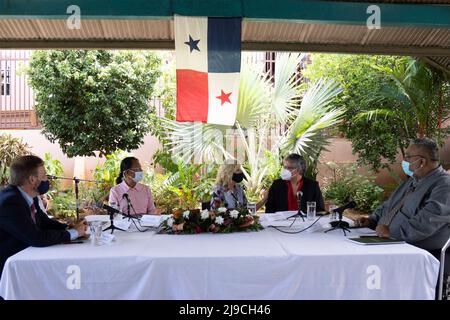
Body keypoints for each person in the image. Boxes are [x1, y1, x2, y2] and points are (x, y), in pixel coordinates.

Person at [355, 138, 450, 298]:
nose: (404, 161)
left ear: (421, 161)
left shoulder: (444, 185)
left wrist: (391, 231)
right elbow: (389, 205)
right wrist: (372, 220)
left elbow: (429, 220)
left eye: (408, 157)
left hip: (419, 252)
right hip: (393, 243)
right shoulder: (413, 181)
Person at [0, 155, 87, 279]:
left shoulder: (29, 196)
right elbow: (37, 238)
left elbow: (44, 222)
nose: (47, 179)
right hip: (9, 272)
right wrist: (74, 233)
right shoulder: (10, 202)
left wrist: (68, 227)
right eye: (45, 176)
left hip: (26, 260)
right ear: (32, 180)